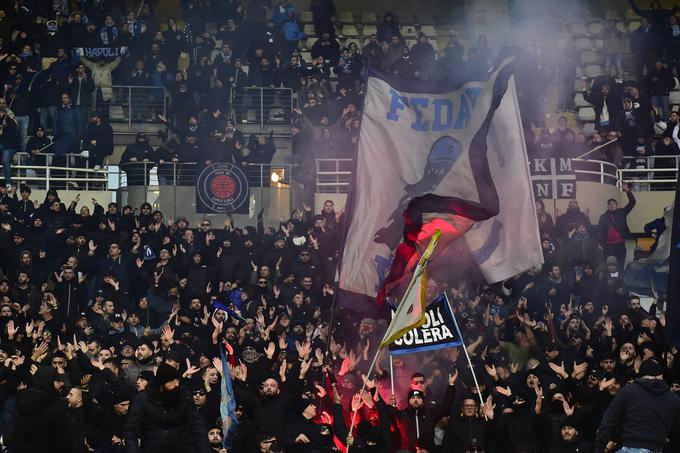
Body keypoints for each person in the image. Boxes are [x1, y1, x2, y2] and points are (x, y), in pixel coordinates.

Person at [595, 358, 680, 453]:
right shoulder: (674, 399)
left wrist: (599, 449)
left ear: (641, 376)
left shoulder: (627, 391)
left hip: (629, 447)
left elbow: (607, 424)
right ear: (659, 376)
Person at [124, 362, 211, 453]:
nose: (176, 384)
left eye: (177, 379)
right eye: (172, 381)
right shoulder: (143, 399)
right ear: (161, 385)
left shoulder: (184, 396)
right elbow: (131, 430)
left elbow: (197, 427)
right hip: (152, 448)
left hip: (182, 447)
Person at [10, 366, 72, 453]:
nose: (62, 383)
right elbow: (63, 440)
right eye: (57, 379)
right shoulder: (55, 405)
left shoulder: (23, 398)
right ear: (48, 381)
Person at [597, 183, 636, 271]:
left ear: (617, 205)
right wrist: (600, 243)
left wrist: (627, 190)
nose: (612, 205)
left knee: (620, 266)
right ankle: (611, 283)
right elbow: (600, 231)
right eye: (610, 204)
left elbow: (632, 202)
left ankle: (619, 283)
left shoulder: (622, 212)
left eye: (614, 203)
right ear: (607, 206)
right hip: (608, 246)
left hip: (620, 245)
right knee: (610, 267)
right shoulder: (603, 217)